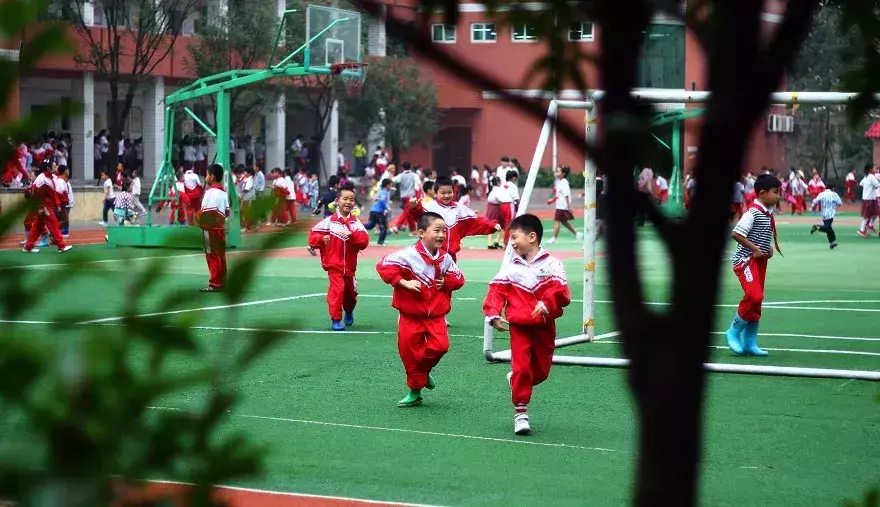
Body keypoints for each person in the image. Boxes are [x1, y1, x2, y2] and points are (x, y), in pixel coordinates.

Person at [483, 214, 570, 435]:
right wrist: (492, 313)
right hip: (520, 328)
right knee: (522, 368)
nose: (511, 242)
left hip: (544, 327)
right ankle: (520, 412)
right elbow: (496, 291)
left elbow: (563, 293)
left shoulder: (553, 264)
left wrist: (546, 303)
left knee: (540, 372)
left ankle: (515, 379)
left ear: (532, 237)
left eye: (514, 237)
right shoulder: (511, 268)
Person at [376, 212, 465, 408]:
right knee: (408, 353)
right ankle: (415, 392)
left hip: (436, 315)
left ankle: (422, 374)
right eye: (437, 230)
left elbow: (459, 279)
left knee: (440, 346)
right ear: (421, 232)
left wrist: (446, 282)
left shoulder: (445, 258)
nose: (442, 235)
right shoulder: (407, 255)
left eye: (444, 231)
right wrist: (403, 282)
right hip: (409, 314)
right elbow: (383, 266)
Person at [723, 174, 782, 356]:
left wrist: (768, 248)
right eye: (776, 192)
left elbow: (761, 235)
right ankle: (733, 331)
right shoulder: (753, 213)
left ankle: (750, 343)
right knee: (754, 296)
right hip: (745, 261)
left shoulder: (766, 213)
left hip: (759, 262)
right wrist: (755, 249)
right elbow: (736, 234)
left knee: (757, 303)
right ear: (763, 194)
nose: (778, 196)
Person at [308, 183, 370, 330]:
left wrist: (352, 235)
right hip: (333, 266)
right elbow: (312, 236)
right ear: (337, 201)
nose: (348, 202)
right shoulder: (329, 222)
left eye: (352, 200)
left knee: (351, 294)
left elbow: (364, 242)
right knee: (338, 290)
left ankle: (349, 310)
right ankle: (336, 319)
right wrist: (320, 240)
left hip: (349, 268)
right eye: (345, 199)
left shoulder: (356, 223)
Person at [197, 164, 230, 292]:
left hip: (209, 230)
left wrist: (198, 216)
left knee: (212, 256)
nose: (206, 177)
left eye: (207, 174)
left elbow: (205, 214)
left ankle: (214, 284)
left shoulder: (210, 193)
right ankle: (221, 282)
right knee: (220, 256)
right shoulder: (223, 193)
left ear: (212, 177)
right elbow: (226, 212)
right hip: (220, 229)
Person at [810, 184, 843, 249]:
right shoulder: (834, 194)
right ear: (833, 188)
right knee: (828, 228)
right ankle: (817, 227)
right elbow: (840, 203)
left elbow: (815, 200)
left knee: (829, 228)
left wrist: (812, 206)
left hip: (823, 214)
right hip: (830, 214)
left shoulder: (821, 194)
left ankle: (832, 242)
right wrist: (835, 204)